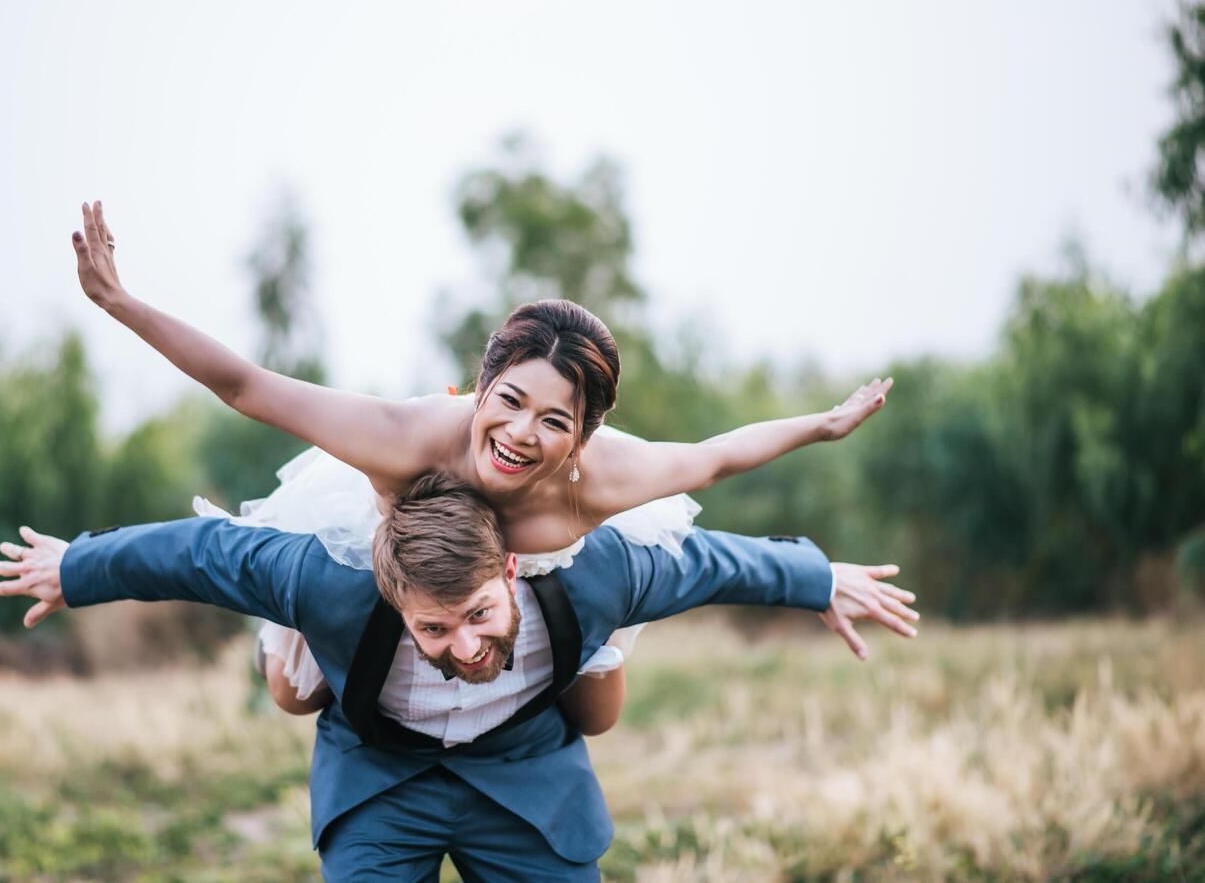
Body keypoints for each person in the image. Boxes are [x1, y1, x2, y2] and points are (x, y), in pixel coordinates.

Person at [68, 202, 906, 730]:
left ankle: (555, 674)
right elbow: (246, 385)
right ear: (478, 384)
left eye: (553, 421)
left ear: (583, 436)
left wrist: (821, 428)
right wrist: (122, 303)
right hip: (406, 563)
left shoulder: (605, 480)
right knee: (295, 696)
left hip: (528, 589)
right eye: (506, 400)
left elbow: (721, 455)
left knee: (597, 715)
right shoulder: (406, 438)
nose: (517, 434)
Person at [0, 473, 917, 879]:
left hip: (525, 780)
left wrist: (817, 578)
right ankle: (295, 655)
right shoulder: (326, 577)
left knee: (597, 706)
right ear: (394, 602)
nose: (466, 646)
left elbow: (708, 562)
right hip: (379, 778)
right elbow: (198, 554)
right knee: (292, 687)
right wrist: (77, 570)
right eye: (435, 628)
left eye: (478, 614)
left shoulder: (597, 570)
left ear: (509, 571)